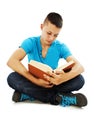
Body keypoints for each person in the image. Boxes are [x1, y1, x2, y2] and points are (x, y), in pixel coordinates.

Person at [7, 12, 88, 107]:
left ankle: (30, 94)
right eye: (49, 33)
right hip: (33, 82)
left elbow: (80, 67)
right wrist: (36, 81)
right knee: (12, 77)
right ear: (42, 27)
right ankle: (58, 98)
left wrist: (61, 79)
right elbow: (12, 61)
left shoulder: (60, 46)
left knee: (79, 80)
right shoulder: (30, 42)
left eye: (55, 35)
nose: (51, 38)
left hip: (53, 83)